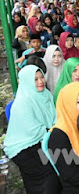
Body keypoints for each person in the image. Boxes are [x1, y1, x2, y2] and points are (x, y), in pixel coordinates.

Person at [4, 65, 61, 194]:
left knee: (62, 160)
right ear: (27, 82)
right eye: (35, 79)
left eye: (41, 77)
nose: (40, 82)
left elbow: (54, 117)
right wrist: (54, 131)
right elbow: (34, 130)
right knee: (49, 172)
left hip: (42, 140)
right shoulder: (23, 102)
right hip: (24, 147)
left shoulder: (45, 94)